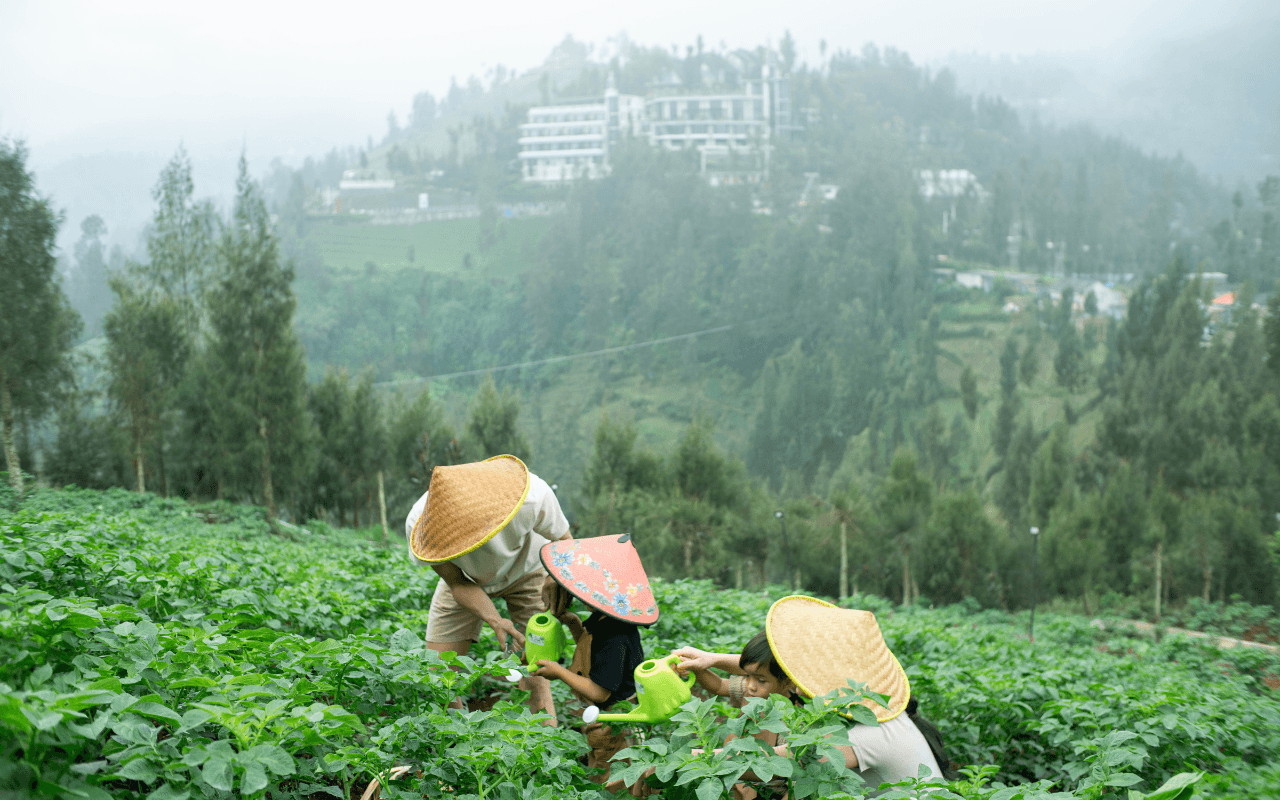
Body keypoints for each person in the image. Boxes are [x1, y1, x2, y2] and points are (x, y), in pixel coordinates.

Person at [673, 595, 951, 794]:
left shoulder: (870, 734)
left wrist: (680, 762)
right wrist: (709, 658)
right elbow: (771, 669)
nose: (797, 683)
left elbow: (770, 761)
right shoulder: (863, 704)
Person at [405, 455, 570, 719]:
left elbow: (565, 545)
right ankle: (460, 742)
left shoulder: (533, 498)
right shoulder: (421, 526)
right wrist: (495, 620)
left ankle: (542, 745)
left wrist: (553, 579)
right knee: (438, 674)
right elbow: (456, 581)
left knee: (535, 670)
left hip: (529, 569)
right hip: (467, 579)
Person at [531, 534, 658, 783]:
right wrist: (574, 624)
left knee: (617, 779)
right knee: (603, 768)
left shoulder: (615, 635)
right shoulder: (605, 620)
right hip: (604, 718)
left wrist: (558, 671)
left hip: (617, 722)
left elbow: (600, 692)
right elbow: (593, 654)